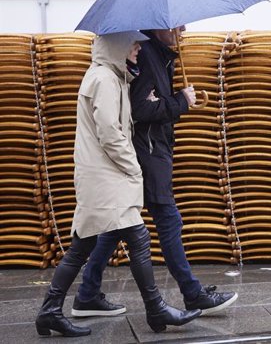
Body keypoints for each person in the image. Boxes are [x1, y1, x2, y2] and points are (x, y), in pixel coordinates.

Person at [35, 32, 201, 337]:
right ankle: (156, 310)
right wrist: (133, 167)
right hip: (106, 177)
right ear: (116, 46)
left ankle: (50, 311)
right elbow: (110, 133)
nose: (139, 48)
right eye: (133, 43)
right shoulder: (104, 81)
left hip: (104, 176)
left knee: (82, 246)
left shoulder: (113, 78)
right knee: (137, 240)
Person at [72, 26, 237, 319]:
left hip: (152, 151)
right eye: (177, 24)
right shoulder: (146, 56)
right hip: (146, 155)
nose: (183, 28)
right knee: (168, 221)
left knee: (113, 229)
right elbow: (138, 110)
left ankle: (86, 295)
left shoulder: (160, 56)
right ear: (157, 26)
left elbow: (148, 104)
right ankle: (192, 293)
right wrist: (179, 102)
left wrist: (175, 98)